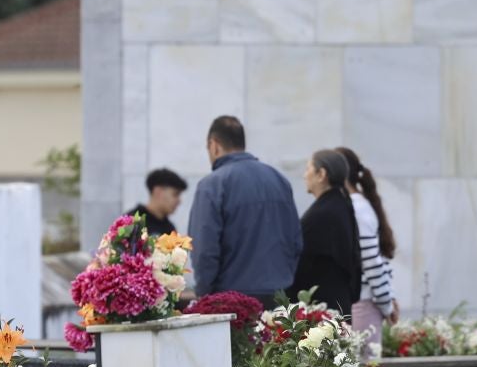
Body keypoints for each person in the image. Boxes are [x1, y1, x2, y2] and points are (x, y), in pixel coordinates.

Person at [187, 116, 302, 302]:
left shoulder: (212, 185)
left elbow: (204, 251)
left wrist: (204, 294)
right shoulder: (279, 180)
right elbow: (295, 241)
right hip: (278, 296)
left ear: (214, 145)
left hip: (232, 302)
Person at [337, 145, 398, 352]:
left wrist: (387, 303)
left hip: (364, 303)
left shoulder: (357, 208)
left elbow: (372, 262)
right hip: (365, 303)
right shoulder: (359, 205)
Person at [291, 149, 363, 317]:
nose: (304, 175)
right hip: (336, 306)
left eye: (308, 169)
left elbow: (303, 262)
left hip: (323, 312)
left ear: (321, 174)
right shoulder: (340, 205)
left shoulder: (324, 212)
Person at [127, 167, 188, 239]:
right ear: (158, 192)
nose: (179, 201)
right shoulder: (132, 222)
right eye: (175, 194)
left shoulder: (169, 228)